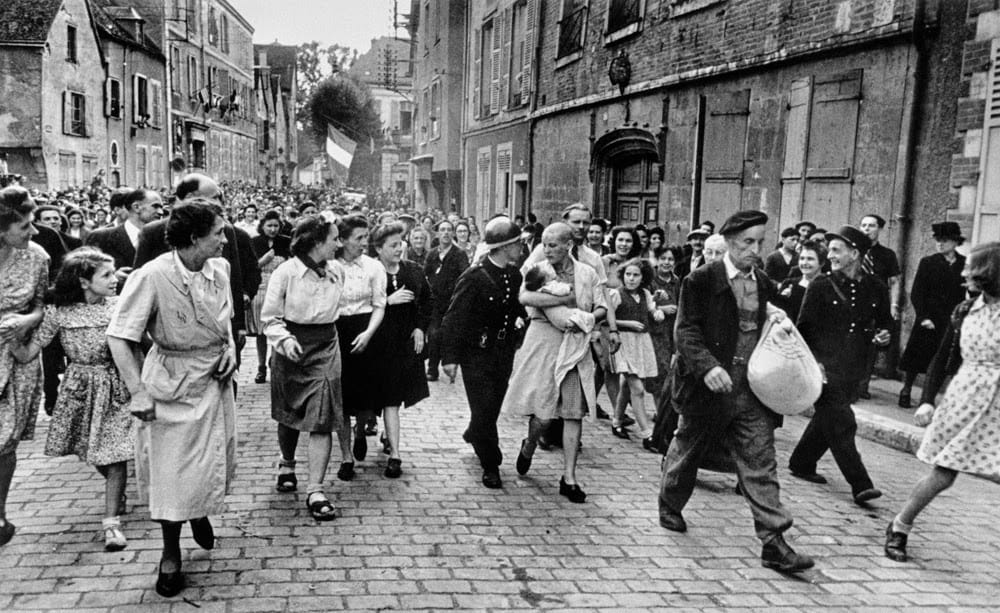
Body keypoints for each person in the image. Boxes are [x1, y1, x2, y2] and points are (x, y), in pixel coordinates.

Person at [657, 210, 814, 573]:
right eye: (748, 243)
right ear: (729, 243)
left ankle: (774, 542)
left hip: (751, 389)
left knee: (761, 460)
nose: (756, 250)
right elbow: (686, 332)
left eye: (760, 242)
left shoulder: (762, 281)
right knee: (687, 451)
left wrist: (779, 324)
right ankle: (669, 503)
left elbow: (765, 320)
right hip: (707, 388)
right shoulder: (699, 280)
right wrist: (708, 366)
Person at [107, 200, 238, 597]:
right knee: (172, 474)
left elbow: (225, 320)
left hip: (213, 382)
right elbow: (119, 336)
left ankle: (198, 510)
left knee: (212, 459)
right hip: (170, 385)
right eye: (218, 232)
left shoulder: (221, 269)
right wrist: (137, 391)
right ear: (194, 238)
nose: (224, 237)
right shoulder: (152, 275)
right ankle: (169, 554)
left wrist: (230, 348)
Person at [884, 242, 1000, 563]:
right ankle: (899, 526)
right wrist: (926, 400)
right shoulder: (965, 311)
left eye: (971, 270)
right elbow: (942, 359)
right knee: (943, 475)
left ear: (988, 273)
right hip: (965, 399)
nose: (965, 275)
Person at [9, 248, 131, 550]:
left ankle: (111, 524)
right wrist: (10, 336)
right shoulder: (59, 312)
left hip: (115, 384)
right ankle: (117, 492)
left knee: (115, 456)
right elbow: (29, 351)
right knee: (90, 450)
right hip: (78, 387)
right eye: (106, 274)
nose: (114, 279)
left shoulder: (120, 305)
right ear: (83, 281)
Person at [505, 222, 608, 502]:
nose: (547, 250)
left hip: (576, 346)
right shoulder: (539, 270)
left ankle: (569, 478)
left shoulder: (587, 273)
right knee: (543, 415)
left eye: (553, 245)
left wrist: (589, 318)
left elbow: (602, 305)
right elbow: (525, 296)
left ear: (568, 245)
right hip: (544, 342)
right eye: (545, 244)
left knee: (573, 412)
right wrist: (567, 300)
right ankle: (528, 446)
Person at [790, 226, 889, 505]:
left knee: (829, 419)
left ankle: (802, 462)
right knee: (844, 422)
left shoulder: (876, 287)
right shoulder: (820, 285)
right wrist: (814, 364)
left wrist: (885, 335)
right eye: (830, 250)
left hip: (855, 369)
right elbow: (803, 330)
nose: (830, 255)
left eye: (836, 250)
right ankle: (860, 484)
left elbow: (884, 323)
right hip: (824, 368)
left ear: (854, 253)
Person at [262, 216, 344, 521]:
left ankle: (315, 489)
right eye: (334, 238)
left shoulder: (336, 272)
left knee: (323, 415)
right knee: (289, 411)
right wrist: (284, 340)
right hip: (291, 346)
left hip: (325, 346)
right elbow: (269, 317)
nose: (339, 244)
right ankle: (287, 462)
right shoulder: (286, 273)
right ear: (316, 241)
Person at [441, 217, 526, 488]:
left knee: (491, 407)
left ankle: (475, 431)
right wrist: (450, 358)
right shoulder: (474, 276)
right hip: (476, 354)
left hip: (502, 352)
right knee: (484, 406)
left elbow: (514, 307)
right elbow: (454, 318)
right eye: (516, 243)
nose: (521, 248)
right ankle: (491, 463)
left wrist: (521, 320)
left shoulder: (514, 274)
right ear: (503, 246)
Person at [0, 186, 47, 547]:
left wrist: (26, 321)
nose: (33, 231)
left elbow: (41, 306)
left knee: (5, 441)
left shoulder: (37, 258)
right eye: (24, 227)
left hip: (17, 356)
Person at [371, 222, 431, 478]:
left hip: (402, 345)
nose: (399, 249)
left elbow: (427, 301)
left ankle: (395, 453)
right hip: (374, 343)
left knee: (392, 400)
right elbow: (356, 304)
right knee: (371, 399)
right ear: (378, 248)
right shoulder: (370, 272)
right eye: (393, 245)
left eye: (400, 244)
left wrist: (420, 328)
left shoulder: (413, 270)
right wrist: (386, 301)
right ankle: (365, 429)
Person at [333, 215, 386, 481]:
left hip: (366, 331)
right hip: (337, 332)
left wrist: (368, 333)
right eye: (359, 238)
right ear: (342, 240)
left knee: (366, 397)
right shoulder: (330, 266)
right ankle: (345, 457)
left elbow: (379, 304)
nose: (365, 243)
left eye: (367, 237)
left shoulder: (374, 267)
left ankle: (362, 429)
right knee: (341, 398)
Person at [897, 222, 966, 408]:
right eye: (938, 240)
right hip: (929, 317)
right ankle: (906, 389)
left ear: (955, 241)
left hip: (950, 320)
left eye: (944, 241)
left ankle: (927, 399)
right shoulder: (928, 262)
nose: (940, 244)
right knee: (916, 356)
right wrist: (924, 317)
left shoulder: (963, 264)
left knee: (942, 360)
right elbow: (917, 293)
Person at [608, 258, 664, 449]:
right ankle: (647, 434)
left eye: (636, 275)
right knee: (638, 389)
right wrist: (627, 324)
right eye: (628, 274)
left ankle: (616, 422)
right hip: (623, 342)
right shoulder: (616, 294)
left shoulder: (646, 293)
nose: (631, 279)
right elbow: (608, 319)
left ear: (643, 277)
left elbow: (652, 310)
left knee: (627, 385)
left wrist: (657, 313)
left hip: (641, 342)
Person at [857, 213, 901, 399]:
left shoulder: (887, 255)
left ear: (880, 229)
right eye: (864, 225)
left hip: (875, 305)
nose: (866, 229)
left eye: (871, 226)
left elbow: (895, 281)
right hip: (854, 302)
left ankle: (862, 386)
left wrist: (893, 304)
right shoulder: (853, 251)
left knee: (870, 347)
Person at [86, 188, 163, 289]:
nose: (161, 212)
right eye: (155, 206)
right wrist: (111, 277)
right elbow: (84, 276)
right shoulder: (101, 237)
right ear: (136, 207)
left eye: (161, 207)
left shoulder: (165, 239)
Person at [424, 220, 469, 382]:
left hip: (452, 303)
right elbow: (425, 275)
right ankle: (432, 368)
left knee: (448, 334)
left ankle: (449, 364)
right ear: (437, 233)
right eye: (442, 230)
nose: (446, 233)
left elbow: (465, 277)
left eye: (449, 230)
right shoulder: (432, 254)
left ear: (453, 233)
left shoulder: (459, 254)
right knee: (434, 333)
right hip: (435, 302)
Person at [249, 210, 291, 384]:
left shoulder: (285, 242)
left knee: (278, 327)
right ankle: (261, 367)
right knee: (261, 331)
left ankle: (275, 362)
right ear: (262, 226)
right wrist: (264, 260)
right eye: (269, 225)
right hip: (260, 288)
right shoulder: (254, 242)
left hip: (280, 289)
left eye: (276, 225)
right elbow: (250, 267)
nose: (273, 229)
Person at [646, 245, 680, 406]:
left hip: (669, 333)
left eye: (671, 259)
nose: (667, 262)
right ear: (657, 260)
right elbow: (642, 306)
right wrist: (662, 308)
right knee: (659, 375)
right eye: (663, 258)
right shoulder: (650, 280)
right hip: (654, 333)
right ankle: (660, 415)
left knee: (666, 374)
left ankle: (618, 416)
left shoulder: (676, 281)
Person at [774, 240, 826, 322]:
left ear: (822, 263)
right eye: (802, 258)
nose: (804, 263)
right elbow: (777, 313)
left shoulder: (828, 286)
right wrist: (784, 299)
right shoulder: (789, 284)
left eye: (810, 259)